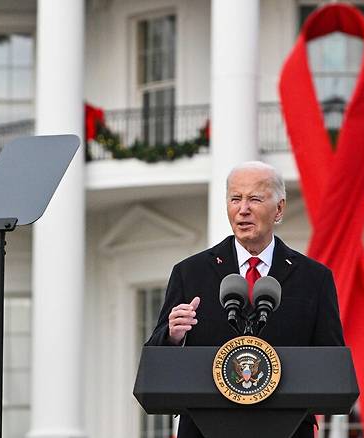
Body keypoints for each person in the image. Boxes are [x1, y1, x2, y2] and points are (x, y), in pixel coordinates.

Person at [146, 161, 344, 438]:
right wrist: (171, 336)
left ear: (279, 209)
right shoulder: (190, 273)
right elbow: (155, 359)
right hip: (205, 428)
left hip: (286, 428)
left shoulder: (314, 278)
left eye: (254, 199)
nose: (243, 209)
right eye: (235, 199)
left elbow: (330, 362)